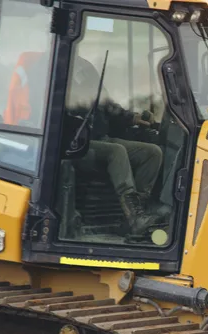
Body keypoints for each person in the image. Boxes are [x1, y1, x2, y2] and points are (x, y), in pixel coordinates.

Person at [67, 55, 164, 236]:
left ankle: (135, 215)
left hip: (102, 138)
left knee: (152, 153)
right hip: (77, 145)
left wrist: (132, 117)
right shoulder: (56, 67)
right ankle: (135, 218)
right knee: (117, 152)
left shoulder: (85, 68)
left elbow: (106, 103)